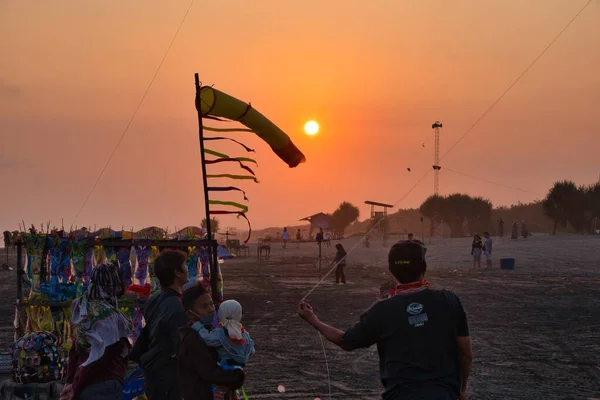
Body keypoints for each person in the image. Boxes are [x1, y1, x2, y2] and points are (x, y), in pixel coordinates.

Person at [297, 240, 473, 400]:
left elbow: (345, 341)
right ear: (424, 267)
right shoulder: (449, 300)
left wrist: (313, 319)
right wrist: (461, 389)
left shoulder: (381, 310)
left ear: (392, 271)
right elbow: (466, 353)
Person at [61, 262, 131, 400]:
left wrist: (70, 382)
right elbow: (98, 358)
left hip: (83, 383)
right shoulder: (109, 317)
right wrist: (73, 386)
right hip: (103, 384)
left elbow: (75, 350)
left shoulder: (83, 309)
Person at [131, 250, 189, 400]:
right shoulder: (177, 306)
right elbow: (181, 348)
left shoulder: (154, 298)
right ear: (177, 272)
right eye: (185, 265)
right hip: (169, 376)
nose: (187, 268)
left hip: (153, 370)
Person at [179, 285, 245, 400]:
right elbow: (210, 372)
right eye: (204, 307)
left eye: (211, 304)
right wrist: (237, 376)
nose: (210, 309)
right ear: (190, 314)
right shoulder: (193, 339)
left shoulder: (208, 331)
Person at [191, 299, 255, 398]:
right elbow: (251, 350)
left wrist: (198, 326)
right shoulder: (244, 334)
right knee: (233, 393)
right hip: (237, 372)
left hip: (222, 372)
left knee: (219, 393)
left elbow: (208, 339)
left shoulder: (220, 333)